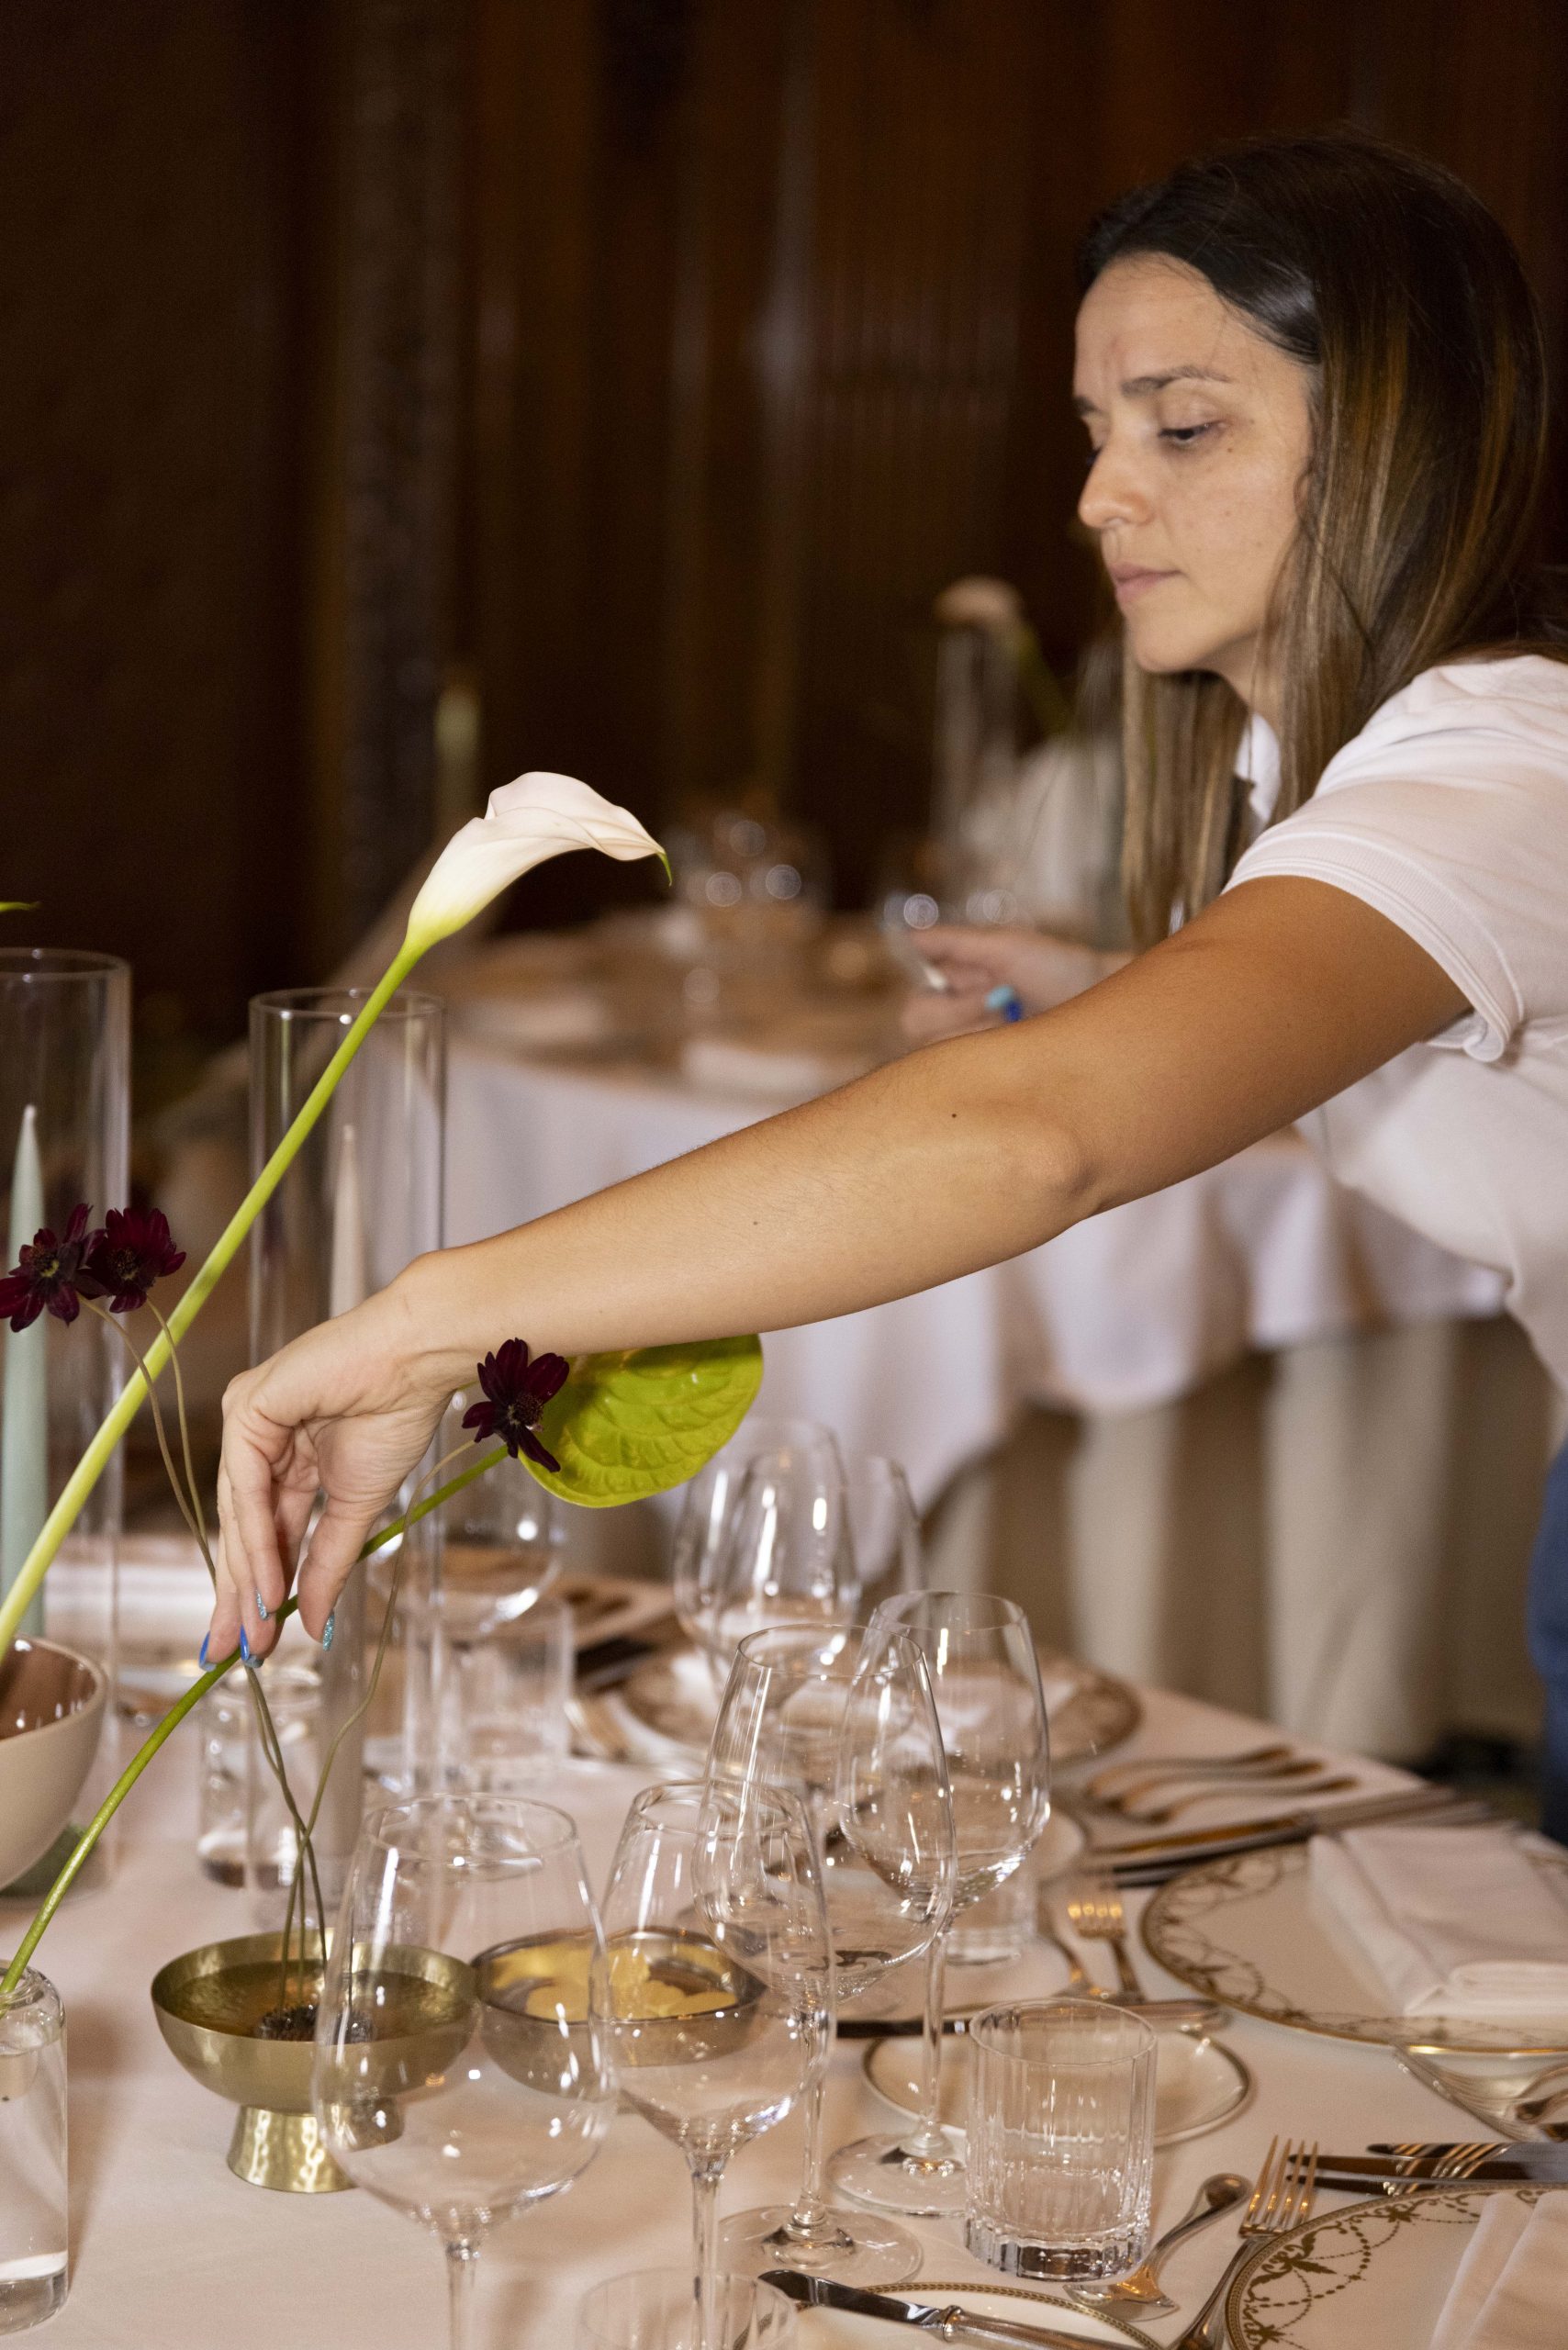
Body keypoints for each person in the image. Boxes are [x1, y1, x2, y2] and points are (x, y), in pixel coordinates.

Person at [208, 133, 1568, 1831]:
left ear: (1396, 440)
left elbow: (1037, 1139)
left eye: (1184, 425)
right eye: (1095, 432)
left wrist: (428, 1320)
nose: (1096, 498)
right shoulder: (1343, 770)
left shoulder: (1503, 766)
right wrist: (1136, 986)